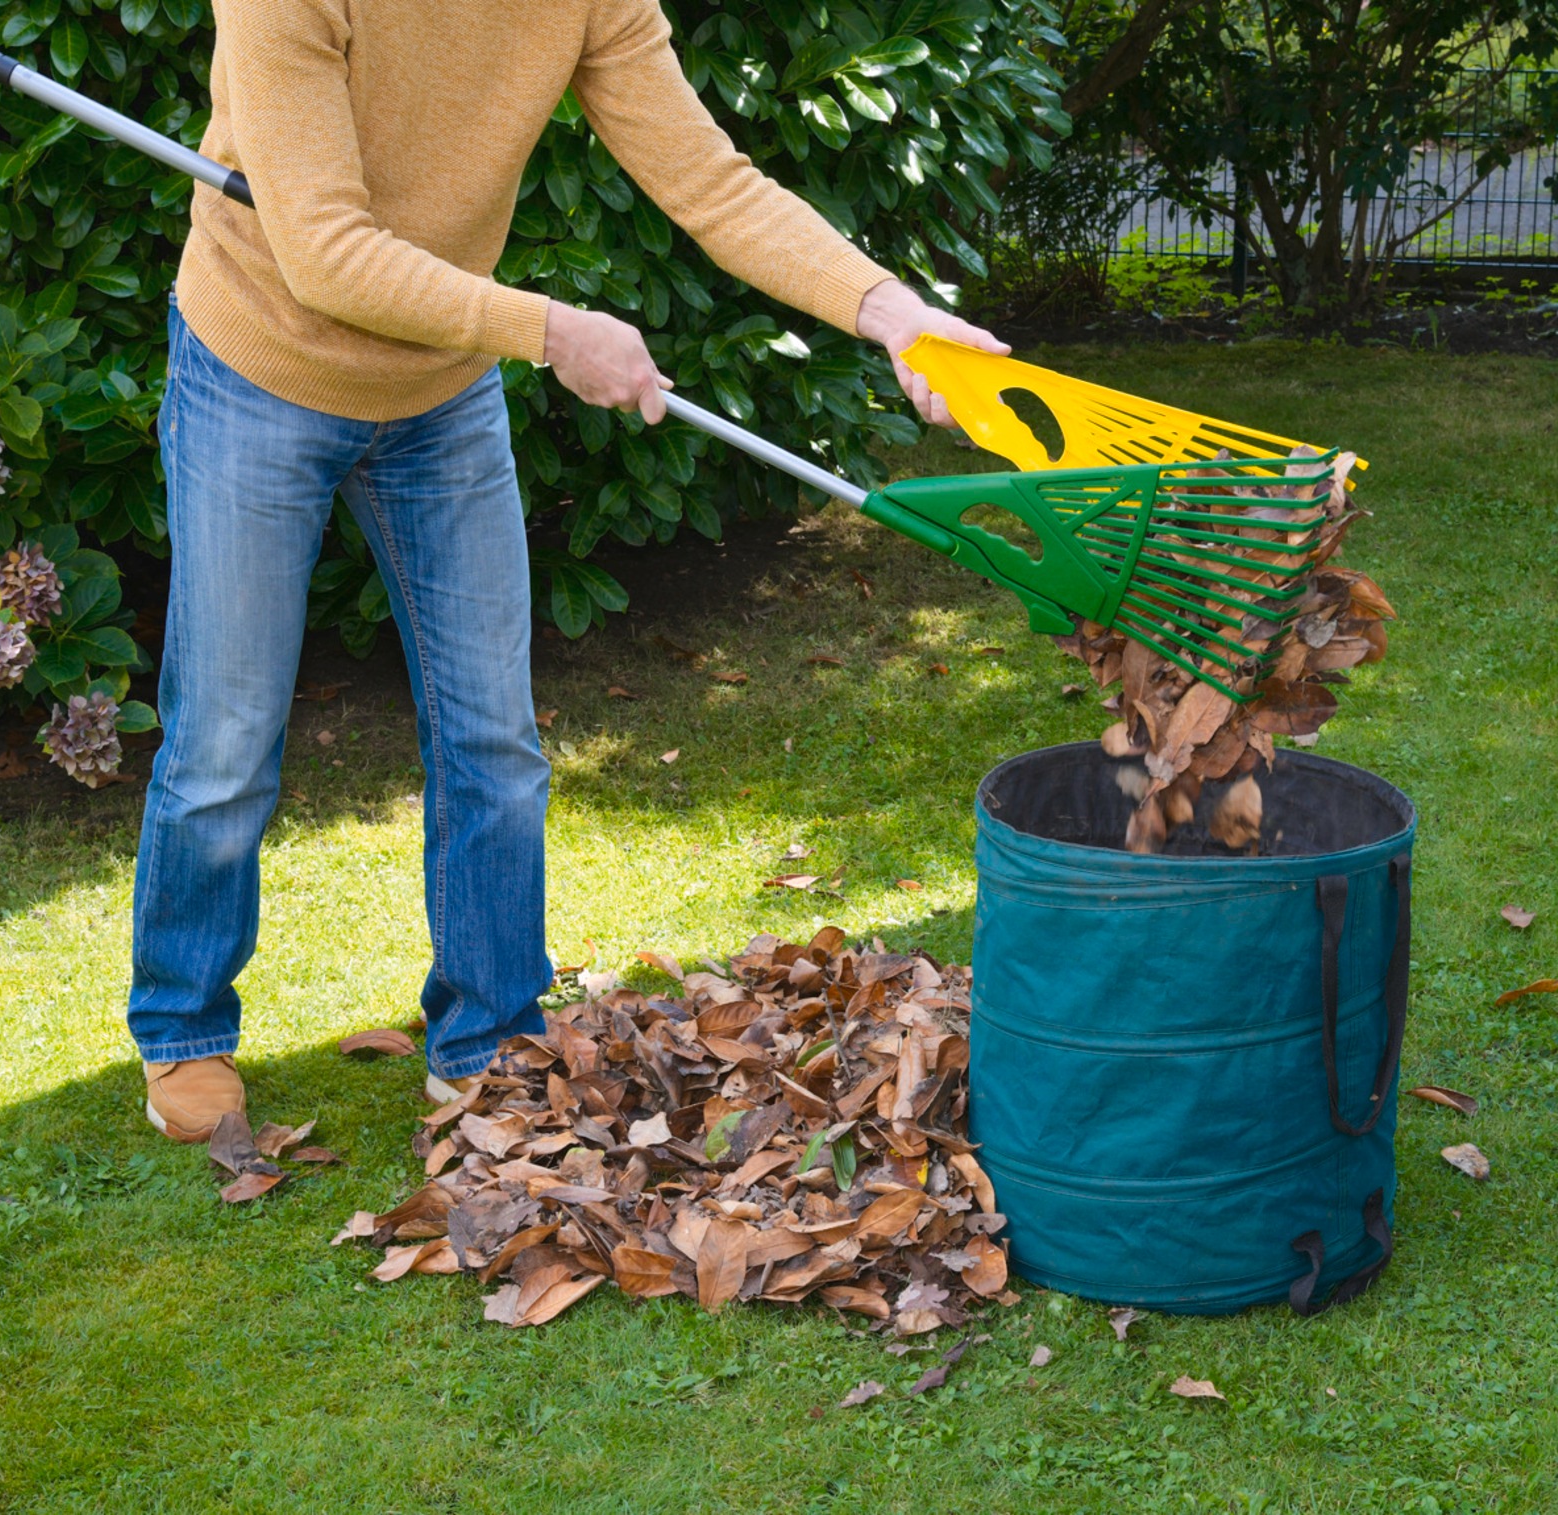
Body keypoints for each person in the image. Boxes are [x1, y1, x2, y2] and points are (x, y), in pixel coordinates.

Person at [133, 0, 1005, 1140]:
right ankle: (185, 1030)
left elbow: (711, 180)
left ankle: (485, 1040)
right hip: (262, 362)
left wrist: (891, 314)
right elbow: (327, 251)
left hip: (441, 387)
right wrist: (551, 331)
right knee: (226, 741)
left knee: (491, 733)